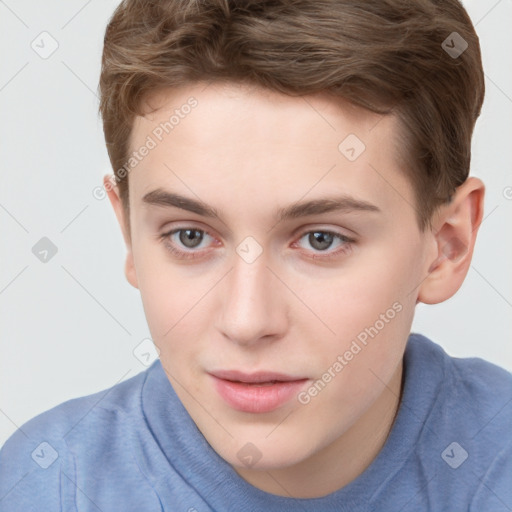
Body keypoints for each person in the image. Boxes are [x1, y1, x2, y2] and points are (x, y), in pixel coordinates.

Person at [1, 0, 511, 510]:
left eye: (321, 240)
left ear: (447, 244)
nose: (247, 322)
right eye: (191, 237)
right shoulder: (48, 487)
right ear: (130, 234)